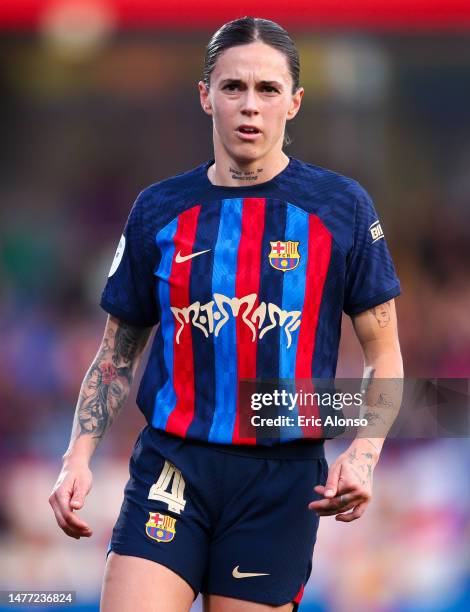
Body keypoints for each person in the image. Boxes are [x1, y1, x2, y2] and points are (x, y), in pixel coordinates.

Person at [49, 16, 403, 612]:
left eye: (267, 90)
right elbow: (117, 353)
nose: (249, 105)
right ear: (205, 95)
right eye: (233, 87)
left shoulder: (341, 210)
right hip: (173, 464)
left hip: (281, 480)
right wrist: (76, 458)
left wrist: (363, 454)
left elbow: (385, 355)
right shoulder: (159, 210)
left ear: (294, 103)